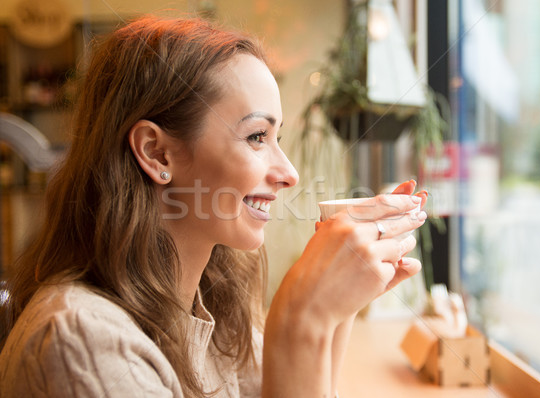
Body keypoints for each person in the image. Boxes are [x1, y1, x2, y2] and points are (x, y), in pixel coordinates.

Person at [0, 16, 427, 398]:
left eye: (276, 138)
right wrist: (301, 319)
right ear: (157, 153)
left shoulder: (211, 305)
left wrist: (338, 306)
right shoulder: (82, 343)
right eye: (257, 136)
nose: (289, 173)